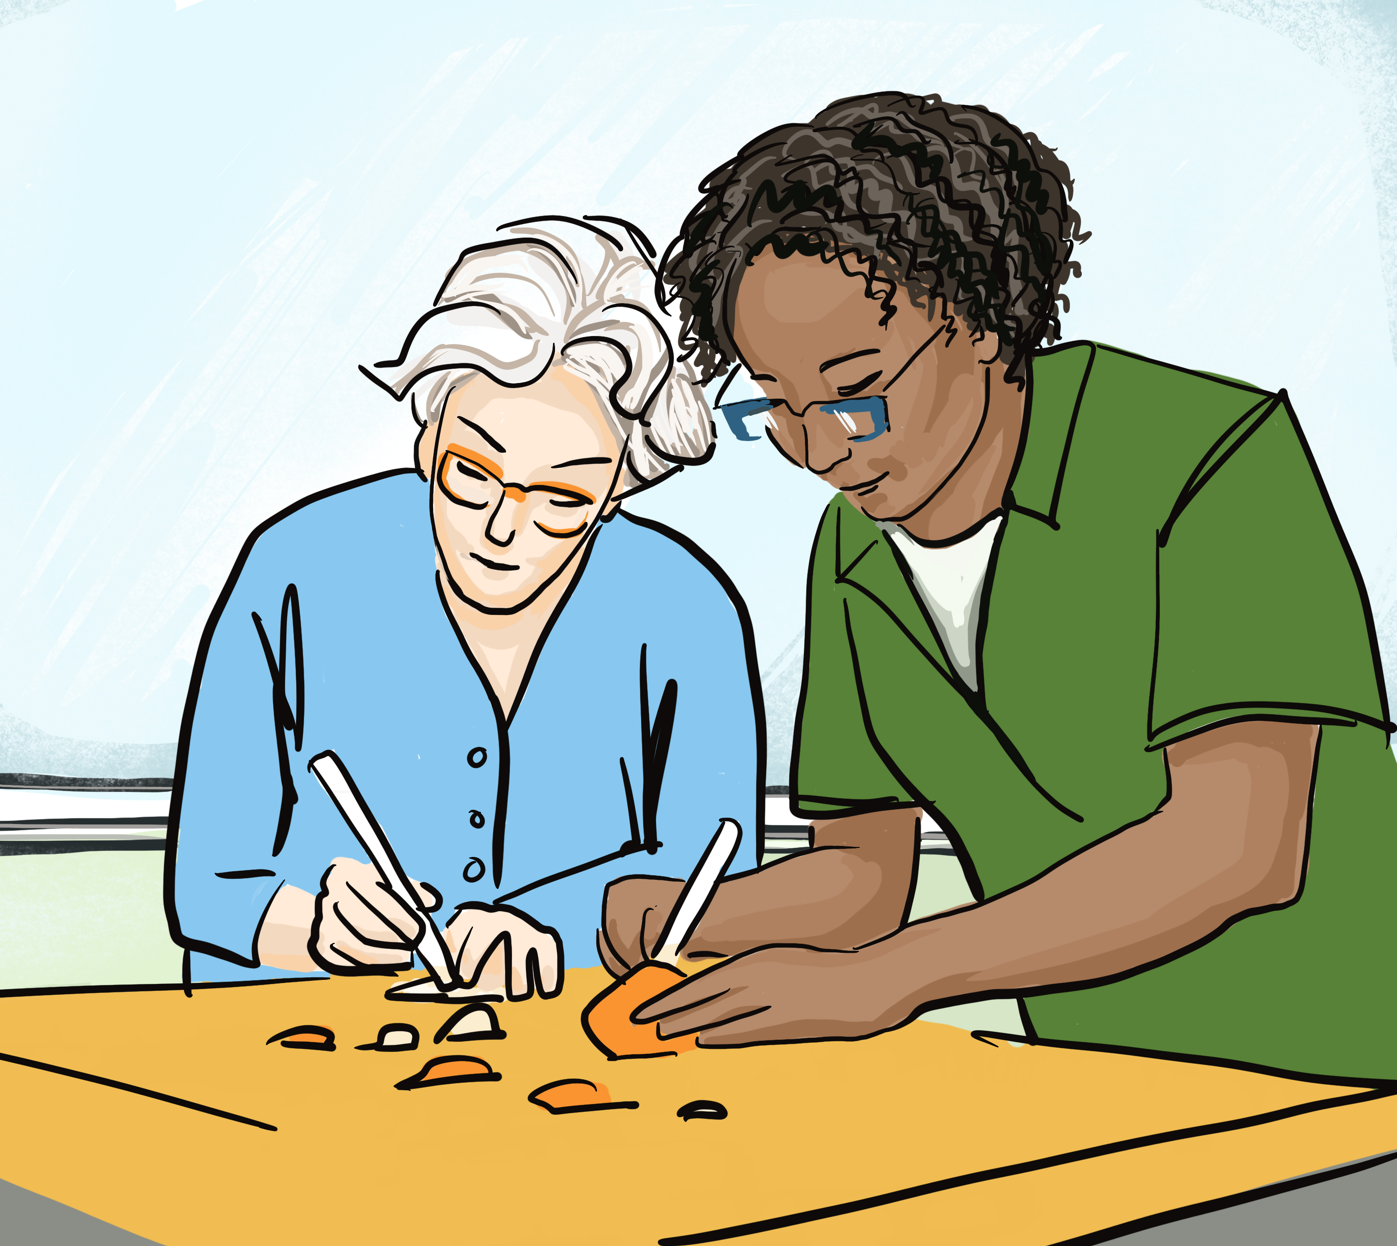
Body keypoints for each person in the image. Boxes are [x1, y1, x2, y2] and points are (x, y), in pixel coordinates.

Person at [601, 93, 1397, 1079]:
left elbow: (1234, 847)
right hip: (1093, 1086)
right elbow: (863, 879)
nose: (816, 449)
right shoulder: (851, 553)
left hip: (1343, 1077)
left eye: (855, 389)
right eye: (777, 405)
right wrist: (669, 914)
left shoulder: (1206, 459)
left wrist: (889, 980)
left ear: (981, 314)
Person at [165, 216, 763, 998]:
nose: (504, 527)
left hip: (571, 1053)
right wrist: (309, 924)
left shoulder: (687, 610)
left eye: (562, 496)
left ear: (620, 483)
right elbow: (207, 885)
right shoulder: (298, 568)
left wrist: (557, 927)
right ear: (427, 433)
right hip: (300, 1043)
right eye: (471, 472)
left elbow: (715, 883)